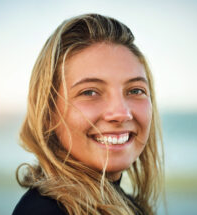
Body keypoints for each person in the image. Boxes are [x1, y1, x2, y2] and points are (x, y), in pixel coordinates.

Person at [13, 13, 164, 215]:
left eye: (135, 90)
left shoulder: (124, 204)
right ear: (48, 112)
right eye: (90, 92)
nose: (121, 113)